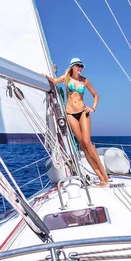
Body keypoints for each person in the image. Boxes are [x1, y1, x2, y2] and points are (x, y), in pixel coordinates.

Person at [43, 57, 109, 186]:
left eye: (81, 66)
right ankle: (99, 176)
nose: (80, 68)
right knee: (82, 146)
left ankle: (104, 174)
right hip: (70, 113)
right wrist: (44, 76)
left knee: (87, 142)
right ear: (72, 67)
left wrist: (93, 107)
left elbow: (96, 95)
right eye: (78, 66)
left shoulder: (84, 81)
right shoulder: (66, 78)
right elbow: (54, 81)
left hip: (83, 112)